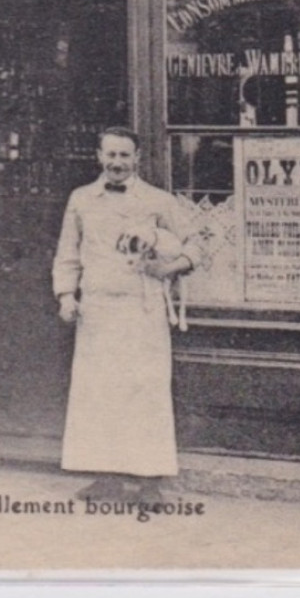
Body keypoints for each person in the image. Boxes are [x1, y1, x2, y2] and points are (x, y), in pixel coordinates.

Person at [52, 126, 201, 501]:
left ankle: (149, 482)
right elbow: (68, 251)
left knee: (144, 391)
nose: (117, 162)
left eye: (124, 155)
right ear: (99, 157)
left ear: (137, 159)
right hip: (98, 310)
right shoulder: (81, 199)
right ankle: (106, 477)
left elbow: (197, 242)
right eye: (110, 155)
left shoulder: (158, 200)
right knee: (98, 393)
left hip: (143, 309)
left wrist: (170, 268)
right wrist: (66, 295)